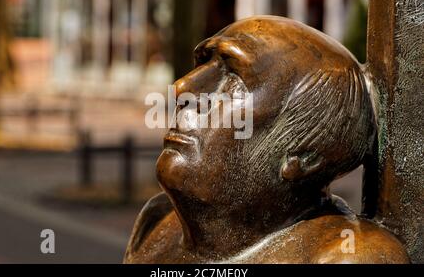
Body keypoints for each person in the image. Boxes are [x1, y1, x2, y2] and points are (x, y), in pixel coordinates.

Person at [125, 16, 409, 263]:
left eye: (233, 78)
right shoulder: (158, 224)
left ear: (303, 156)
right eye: (203, 63)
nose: (183, 88)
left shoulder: (347, 257)